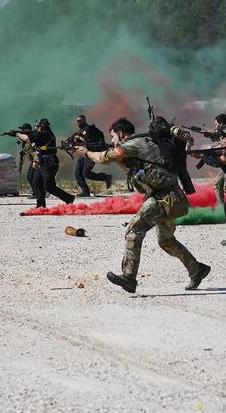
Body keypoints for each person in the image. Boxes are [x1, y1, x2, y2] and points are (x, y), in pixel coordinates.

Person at [75, 117, 210, 294]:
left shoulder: (134, 143)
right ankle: (196, 269)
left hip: (163, 198)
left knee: (133, 232)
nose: (113, 141)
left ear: (121, 133)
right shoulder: (142, 144)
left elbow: (103, 158)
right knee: (166, 241)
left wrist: (86, 152)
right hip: (171, 197)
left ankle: (129, 278)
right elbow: (132, 171)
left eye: (113, 136)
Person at [16, 118, 76, 208]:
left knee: (49, 186)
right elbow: (37, 148)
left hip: (49, 161)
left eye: (37, 126)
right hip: (42, 161)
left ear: (42, 126)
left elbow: (27, 138)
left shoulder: (45, 134)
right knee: (36, 182)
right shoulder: (42, 134)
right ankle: (40, 205)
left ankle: (68, 198)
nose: (36, 127)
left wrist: (17, 134)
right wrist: (36, 160)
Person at [69, 115, 112, 197]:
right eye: (77, 121)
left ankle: (106, 177)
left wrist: (79, 139)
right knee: (78, 173)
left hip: (91, 153)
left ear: (84, 121)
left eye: (80, 121)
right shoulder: (80, 131)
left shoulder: (87, 129)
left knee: (86, 173)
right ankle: (85, 191)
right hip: (84, 154)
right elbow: (73, 138)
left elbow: (88, 140)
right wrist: (71, 142)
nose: (78, 122)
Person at [210, 114, 226, 205]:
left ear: (221, 123)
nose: (215, 126)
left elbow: (225, 145)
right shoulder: (222, 132)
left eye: (216, 124)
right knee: (218, 184)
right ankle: (221, 210)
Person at [17, 122, 37, 196]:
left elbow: (33, 149)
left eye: (23, 130)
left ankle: (37, 192)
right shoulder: (25, 140)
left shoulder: (31, 138)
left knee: (31, 177)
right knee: (31, 177)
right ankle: (37, 192)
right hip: (34, 160)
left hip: (37, 160)